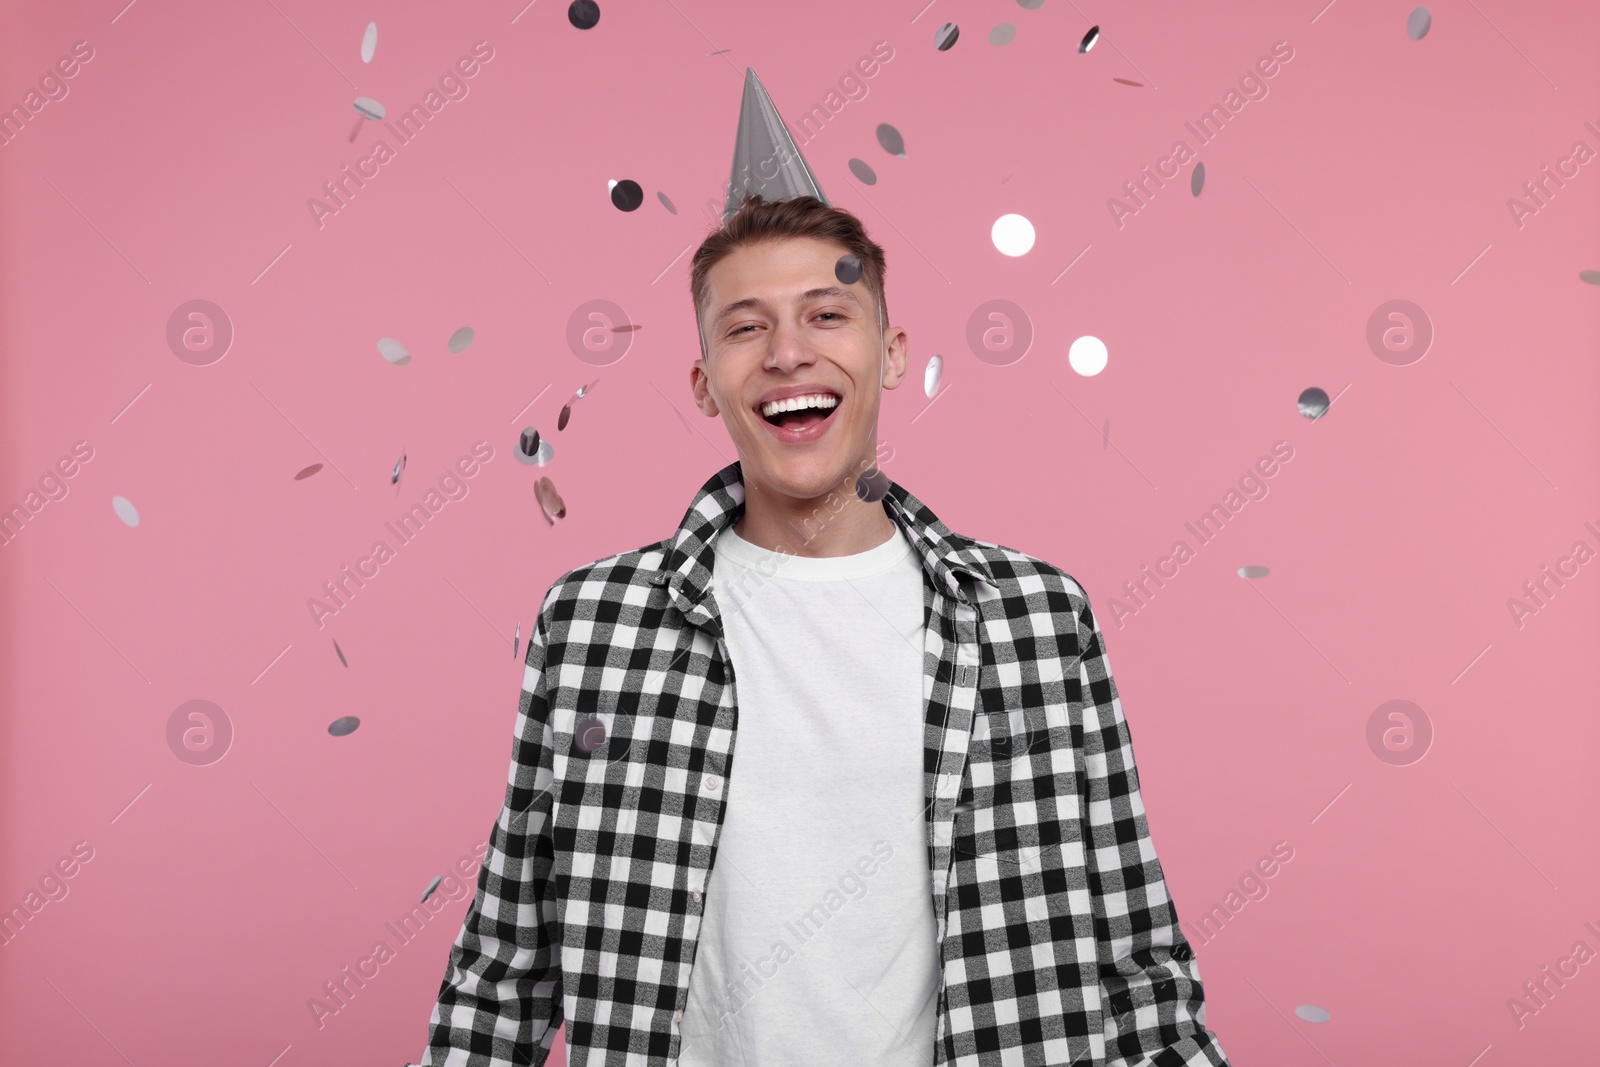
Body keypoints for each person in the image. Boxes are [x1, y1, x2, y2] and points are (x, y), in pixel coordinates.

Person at [413, 70, 1230, 1067]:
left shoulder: (1034, 615)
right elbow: (508, 958)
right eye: (745, 326)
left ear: (889, 353)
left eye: (827, 315)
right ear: (704, 383)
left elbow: (1135, 956)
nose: (788, 352)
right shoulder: (595, 621)